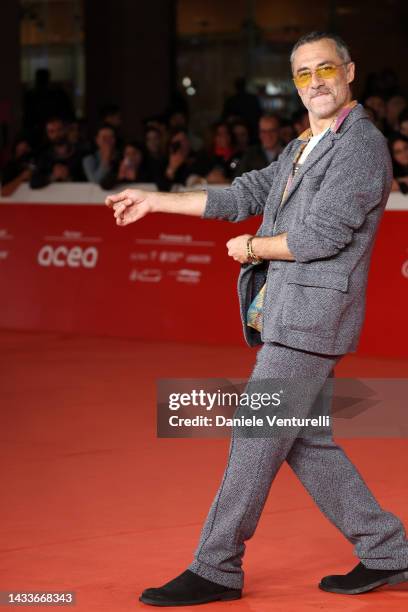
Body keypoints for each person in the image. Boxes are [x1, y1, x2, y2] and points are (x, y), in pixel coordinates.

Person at [106, 31, 408, 605]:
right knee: (305, 441)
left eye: (325, 69)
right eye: (303, 73)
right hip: (291, 314)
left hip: (310, 321)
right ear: (294, 84)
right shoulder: (305, 145)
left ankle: (216, 566)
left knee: (254, 433)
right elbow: (243, 194)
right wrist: (155, 199)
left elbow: (320, 236)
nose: (315, 81)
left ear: (349, 71)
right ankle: (390, 552)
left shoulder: (361, 146)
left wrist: (252, 249)